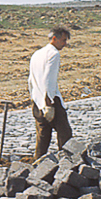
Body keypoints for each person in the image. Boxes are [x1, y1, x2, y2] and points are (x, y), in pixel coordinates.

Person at [28, 27, 72, 159]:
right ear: (54, 39)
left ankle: (38, 162)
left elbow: (31, 79)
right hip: (50, 100)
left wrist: (35, 98)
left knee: (43, 135)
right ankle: (68, 162)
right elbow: (49, 79)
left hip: (37, 99)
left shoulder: (37, 54)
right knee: (65, 133)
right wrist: (49, 102)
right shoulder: (53, 54)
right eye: (63, 40)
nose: (65, 44)